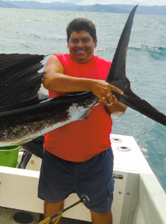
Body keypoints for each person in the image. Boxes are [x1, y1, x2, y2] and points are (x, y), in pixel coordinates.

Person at [39, 18, 128, 224]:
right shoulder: (58, 60)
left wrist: (109, 100)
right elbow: (49, 80)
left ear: (95, 42)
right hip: (56, 155)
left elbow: (119, 111)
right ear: (68, 44)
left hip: (96, 157)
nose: (80, 45)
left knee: (101, 209)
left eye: (85, 40)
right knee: (52, 204)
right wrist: (93, 86)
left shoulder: (109, 69)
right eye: (74, 40)